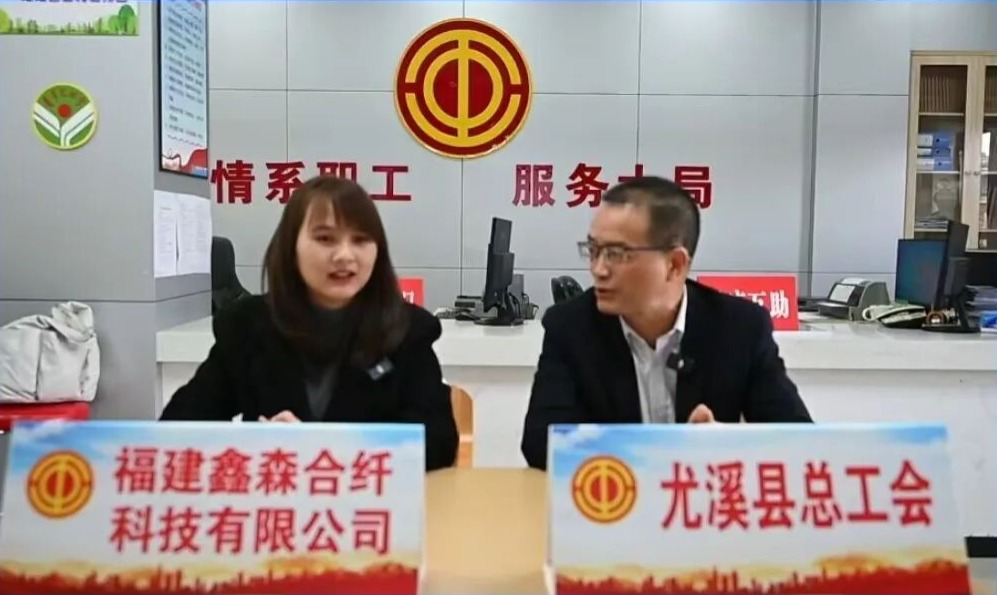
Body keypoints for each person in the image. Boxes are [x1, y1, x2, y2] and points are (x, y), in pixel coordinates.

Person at [160, 175, 459, 471]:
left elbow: (438, 442)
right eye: (325, 238)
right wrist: (255, 443)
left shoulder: (408, 329)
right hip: (277, 494)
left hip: (371, 496)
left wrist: (318, 447)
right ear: (291, 246)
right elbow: (178, 428)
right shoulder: (247, 326)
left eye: (360, 240)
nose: (345, 255)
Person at [521, 176, 812, 470]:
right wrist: (671, 453)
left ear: (675, 264)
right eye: (594, 250)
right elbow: (541, 443)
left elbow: (799, 439)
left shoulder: (740, 328)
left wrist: (724, 443)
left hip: (702, 496)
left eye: (616, 254)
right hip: (614, 494)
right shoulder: (570, 327)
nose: (598, 269)